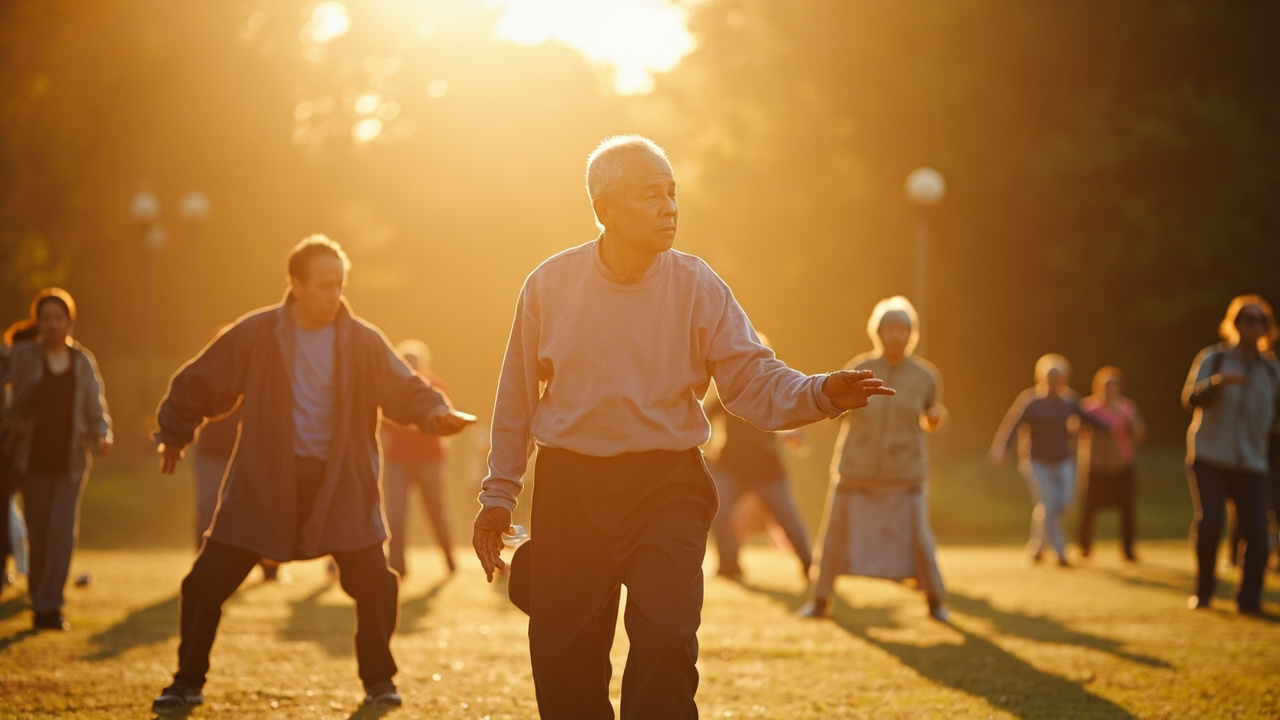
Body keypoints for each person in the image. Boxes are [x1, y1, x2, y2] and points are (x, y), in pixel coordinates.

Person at [471, 135, 894, 720]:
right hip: (571, 491)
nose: (669, 207)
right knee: (564, 657)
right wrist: (499, 496)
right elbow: (515, 400)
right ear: (605, 209)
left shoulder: (698, 286)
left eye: (672, 193)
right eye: (651, 195)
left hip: (667, 486)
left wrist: (820, 393)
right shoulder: (549, 285)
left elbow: (752, 380)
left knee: (667, 641)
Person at [150, 235, 475, 713]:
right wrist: (175, 431)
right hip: (265, 485)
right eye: (324, 285)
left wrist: (435, 414)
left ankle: (379, 682)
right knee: (203, 585)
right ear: (296, 284)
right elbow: (202, 379)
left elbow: (404, 388)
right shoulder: (258, 334)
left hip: (343, 485)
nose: (334, 295)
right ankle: (185, 683)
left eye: (340, 284)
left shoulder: (362, 340)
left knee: (377, 585)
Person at [800, 296, 950, 622]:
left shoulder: (925, 376)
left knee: (920, 540)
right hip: (856, 467)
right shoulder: (860, 369)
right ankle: (820, 600)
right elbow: (836, 410)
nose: (895, 335)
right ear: (877, 333)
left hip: (905, 472)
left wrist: (935, 419)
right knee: (833, 536)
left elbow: (931, 416)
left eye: (902, 329)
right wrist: (835, 408)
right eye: (889, 329)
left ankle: (935, 602)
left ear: (911, 334)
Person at [4, 288, 112, 630]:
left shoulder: (82, 362)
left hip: (70, 463)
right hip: (31, 461)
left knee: (62, 534)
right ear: (38, 322)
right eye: (46, 318)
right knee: (38, 535)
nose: (52, 324)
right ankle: (40, 597)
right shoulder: (22, 356)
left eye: (58, 318)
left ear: (69, 322)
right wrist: (8, 417)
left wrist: (101, 434)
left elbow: (96, 406)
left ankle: (50, 607)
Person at [1181, 294, 1279, 614]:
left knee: (1257, 532)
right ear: (1234, 324)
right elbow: (1189, 399)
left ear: (1267, 328)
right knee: (1210, 522)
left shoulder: (1272, 371)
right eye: (1246, 320)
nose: (1253, 327)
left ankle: (1249, 600)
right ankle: (1204, 592)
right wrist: (1218, 383)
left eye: (1260, 321)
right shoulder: (1214, 358)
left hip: (1252, 461)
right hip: (1210, 455)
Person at [990, 353, 1106, 567]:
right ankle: (1061, 552)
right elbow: (1013, 425)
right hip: (1037, 462)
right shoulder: (1031, 401)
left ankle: (1037, 547)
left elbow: (1088, 419)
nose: (1055, 383)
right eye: (1051, 379)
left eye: (1059, 379)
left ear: (1064, 380)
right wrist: (1002, 447)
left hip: (1063, 460)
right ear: (1042, 379)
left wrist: (1111, 427)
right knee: (1050, 500)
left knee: (1064, 502)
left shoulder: (1069, 401)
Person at [702, 364, 812, 582]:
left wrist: (792, 434)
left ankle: (809, 566)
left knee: (788, 520)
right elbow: (703, 416)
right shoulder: (728, 392)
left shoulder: (771, 393)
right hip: (731, 468)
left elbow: (789, 417)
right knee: (718, 511)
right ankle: (728, 565)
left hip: (768, 471)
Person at [381, 338, 457, 577]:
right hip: (398, 459)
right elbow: (384, 423)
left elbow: (443, 422)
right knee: (395, 514)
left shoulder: (437, 387)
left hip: (430, 459)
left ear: (424, 364)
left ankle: (450, 561)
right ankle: (397, 566)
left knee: (436, 510)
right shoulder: (391, 388)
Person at [1076, 366, 1146, 562]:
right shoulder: (1088, 408)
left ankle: (1128, 549)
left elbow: (1139, 433)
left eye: (1113, 385)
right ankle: (1084, 545)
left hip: (1123, 463)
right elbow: (1077, 431)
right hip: (1097, 464)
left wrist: (1131, 425)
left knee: (1127, 507)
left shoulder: (1127, 407)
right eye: (1106, 385)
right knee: (1089, 507)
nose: (1109, 389)